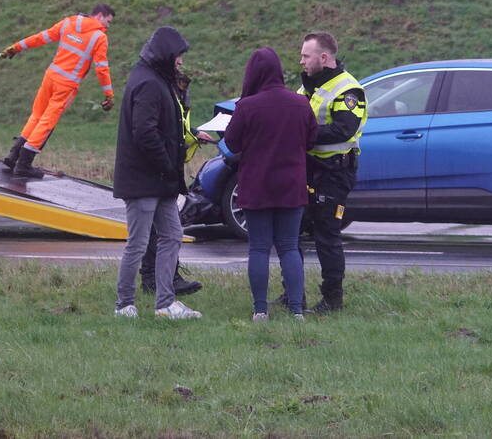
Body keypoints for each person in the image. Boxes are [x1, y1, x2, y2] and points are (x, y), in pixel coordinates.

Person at [113, 26, 202, 319]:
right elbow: (145, 132)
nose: (181, 61)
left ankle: (165, 303)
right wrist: (166, 164)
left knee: (172, 236)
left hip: (161, 181)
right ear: (166, 55)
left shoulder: (156, 79)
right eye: (178, 56)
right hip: (145, 181)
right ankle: (124, 304)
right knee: (138, 243)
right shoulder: (149, 84)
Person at [224, 47, 318, 321]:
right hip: (292, 185)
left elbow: (232, 143)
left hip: (256, 185)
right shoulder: (300, 104)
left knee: (259, 248)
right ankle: (297, 310)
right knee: (289, 246)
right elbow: (312, 140)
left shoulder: (247, 106)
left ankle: (260, 309)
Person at [295, 31, 367, 313]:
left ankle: (332, 299)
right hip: (307, 170)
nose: (301, 60)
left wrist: (302, 134)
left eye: (305, 55)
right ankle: (293, 292)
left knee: (327, 235)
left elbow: (343, 130)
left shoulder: (348, 90)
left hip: (334, 173)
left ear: (323, 58)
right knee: (292, 232)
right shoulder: (307, 88)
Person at [0, 4, 116, 178]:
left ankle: (13, 155)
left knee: (37, 116)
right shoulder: (99, 37)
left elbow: (41, 37)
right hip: (67, 85)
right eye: (108, 21)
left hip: (51, 76)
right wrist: (109, 94)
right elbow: (101, 68)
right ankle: (24, 164)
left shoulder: (68, 22)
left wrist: (16, 47)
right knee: (47, 122)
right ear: (99, 16)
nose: (108, 26)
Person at [138, 67, 212, 297]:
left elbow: (178, 130)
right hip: (158, 171)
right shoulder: (160, 97)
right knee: (161, 230)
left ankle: (158, 278)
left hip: (167, 169)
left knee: (161, 229)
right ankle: (158, 279)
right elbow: (160, 134)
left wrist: (194, 134)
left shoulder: (172, 99)